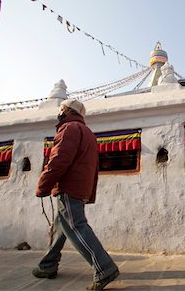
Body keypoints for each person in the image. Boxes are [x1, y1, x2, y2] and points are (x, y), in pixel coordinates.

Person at [32, 99, 119, 290]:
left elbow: (59, 160)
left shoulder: (69, 128)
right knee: (61, 227)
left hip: (68, 186)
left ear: (68, 111)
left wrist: (43, 184)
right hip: (80, 186)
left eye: (61, 109)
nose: (59, 112)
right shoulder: (86, 131)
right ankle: (48, 264)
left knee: (76, 226)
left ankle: (104, 268)